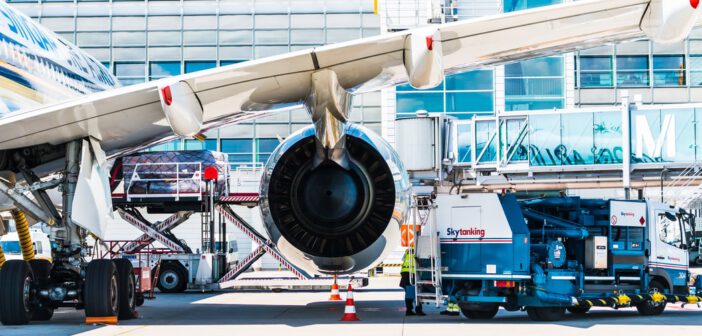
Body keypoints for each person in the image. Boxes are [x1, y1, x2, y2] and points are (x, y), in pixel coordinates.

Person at [400, 248, 425, 316]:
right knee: (416, 292)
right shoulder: (419, 251)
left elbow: (403, 259)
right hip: (412, 273)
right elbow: (422, 263)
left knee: (409, 292)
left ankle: (410, 310)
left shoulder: (408, 250)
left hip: (405, 272)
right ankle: (417, 310)